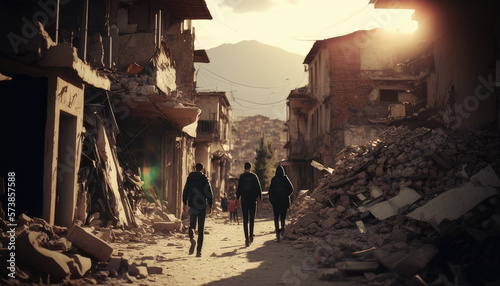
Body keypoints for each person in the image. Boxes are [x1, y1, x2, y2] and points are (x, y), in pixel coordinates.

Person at [182, 163, 213, 257]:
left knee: (191, 226)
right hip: (202, 206)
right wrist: (210, 206)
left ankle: (192, 239)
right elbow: (209, 193)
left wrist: (184, 203)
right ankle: (198, 251)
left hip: (192, 205)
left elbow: (185, 190)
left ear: (195, 168)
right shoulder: (204, 178)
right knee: (201, 229)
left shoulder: (190, 177)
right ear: (202, 169)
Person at [236, 162, 262, 247]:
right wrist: (260, 200)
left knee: (245, 220)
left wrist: (237, 199)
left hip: (244, 201)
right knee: (251, 220)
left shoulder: (242, 177)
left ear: (244, 168)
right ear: (250, 168)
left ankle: (246, 239)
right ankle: (251, 236)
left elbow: (239, 189)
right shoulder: (254, 176)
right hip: (252, 201)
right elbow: (259, 189)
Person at [268, 165, 294, 243]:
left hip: (276, 203)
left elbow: (270, 192)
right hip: (284, 202)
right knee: (282, 218)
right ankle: (282, 229)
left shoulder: (274, 180)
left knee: (276, 218)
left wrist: (272, 201)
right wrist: (286, 195)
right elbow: (291, 189)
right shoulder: (285, 179)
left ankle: (277, 233)